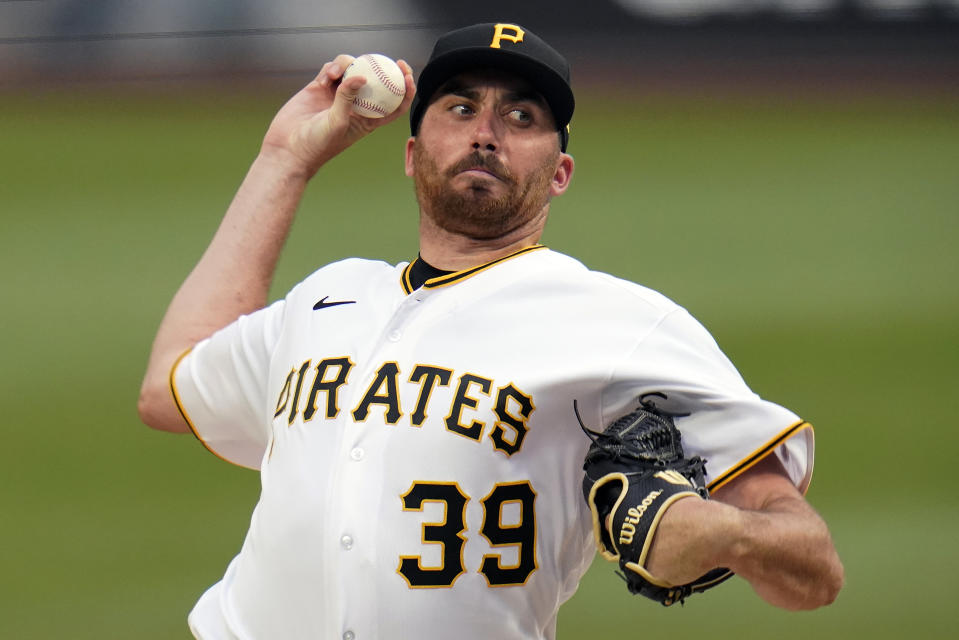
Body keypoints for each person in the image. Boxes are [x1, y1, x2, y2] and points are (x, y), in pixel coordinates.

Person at [138, 22, 843, 640]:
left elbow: (812, 571)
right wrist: (284, 159)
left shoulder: (622, 325)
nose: (485, 131)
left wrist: (721, 532)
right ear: (412, 153)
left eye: (521, 115)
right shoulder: (327, 297)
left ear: (559, 172)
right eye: (460, 106)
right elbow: (170, 389)